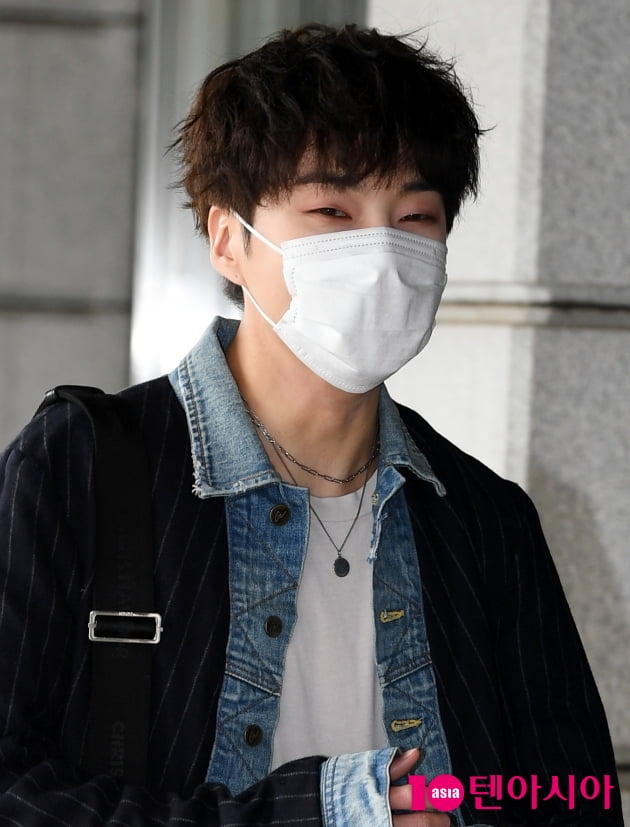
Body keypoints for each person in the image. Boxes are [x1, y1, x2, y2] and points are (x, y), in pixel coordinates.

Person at [0, 22, 623, 827]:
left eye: (416, 216)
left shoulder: (484, 519)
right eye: (332, 208)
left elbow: (570, 793)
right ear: (229, 239)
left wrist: (434, 799)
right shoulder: (84, 466)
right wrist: (314, 811)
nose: (380, 252)